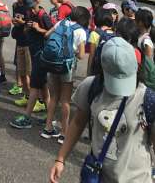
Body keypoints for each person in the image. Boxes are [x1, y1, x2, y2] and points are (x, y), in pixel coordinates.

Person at [49, 37, 154, 183]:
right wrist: (60, 159)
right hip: (99, 176)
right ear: (103, 69)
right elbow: (78, 122)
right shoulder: (91, 87)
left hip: (137, 178)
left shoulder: (147, 98)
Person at [42, 6, 90, 143]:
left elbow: (47, 35)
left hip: (52, 63)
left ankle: (48, 128)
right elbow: (81, 55)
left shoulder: (61, 23)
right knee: (65, 100)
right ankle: (64, 133)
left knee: (54, 97)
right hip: (67, 67)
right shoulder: (80, 31)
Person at [10, 0, 53, 129]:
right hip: (34, 52)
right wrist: (26, 27)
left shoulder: (43, 16)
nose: (30, 10)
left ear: (36, 1)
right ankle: (50, 116)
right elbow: (27, 29)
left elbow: (52, 33)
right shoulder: (30, 14)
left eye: (31, 7)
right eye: (28, 8)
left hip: (41, 55)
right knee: (44, 87)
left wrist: (38, 29)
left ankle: (27, 118)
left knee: (34, 87)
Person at [9, 0, 29, 97]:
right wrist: (14, 21)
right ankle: (18, 84)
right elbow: (14, 18)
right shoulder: (15, 5)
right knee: (18, 62)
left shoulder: (29, 7)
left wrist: (23, 22)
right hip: (19, 37)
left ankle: (28, 90)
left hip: (28, 39)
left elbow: (31, 23)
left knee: (27, 66)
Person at [87, 7, 115, 76]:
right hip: (111, 67)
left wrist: (89, 71)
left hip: (98, 67)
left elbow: (92, 54)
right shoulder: (114, 32)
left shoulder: (94, 33)